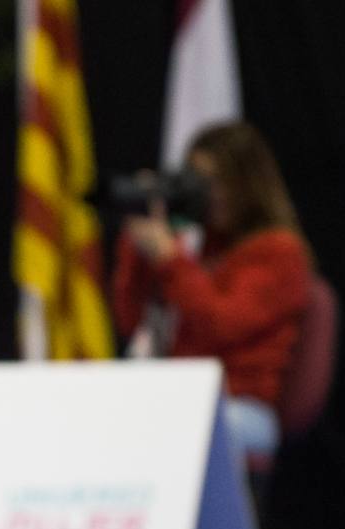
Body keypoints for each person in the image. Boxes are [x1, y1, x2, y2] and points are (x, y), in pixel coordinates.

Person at [112, 121, 313, 458]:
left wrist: (169, 258)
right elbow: (130, 322)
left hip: (242, 407)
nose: (208, 194)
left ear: (247, 184)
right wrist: (138, 248)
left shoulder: (281, 252)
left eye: (217, 182)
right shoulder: (198, 250)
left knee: (164, 433)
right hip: (182, 400)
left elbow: (220, 325)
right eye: (198, 182)